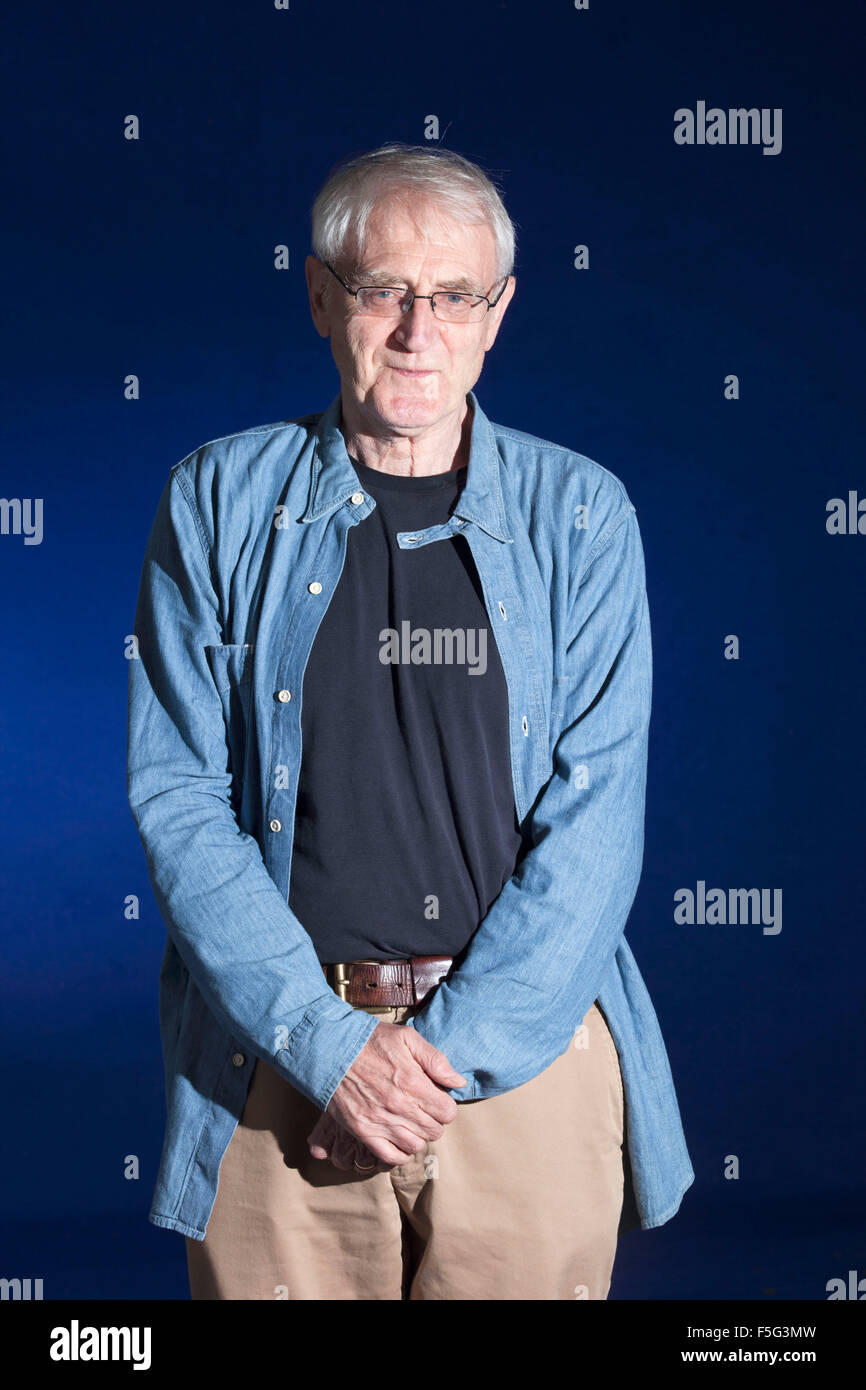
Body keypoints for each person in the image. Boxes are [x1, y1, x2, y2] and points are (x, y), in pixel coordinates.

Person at [127, 142, 694, 1301]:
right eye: (384, 289)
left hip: (524, 1073)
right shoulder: (215, 499)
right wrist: (333, 1055)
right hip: (280, 1067)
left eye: (453, 296)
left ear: (499, 314)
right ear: (322, 295)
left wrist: (426, 1065)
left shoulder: (582, 515)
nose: (415, 329)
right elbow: (176, 796)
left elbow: (595, 831)